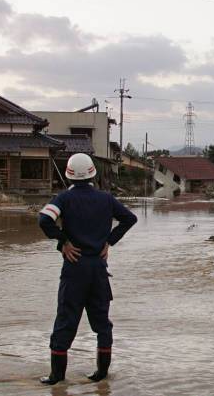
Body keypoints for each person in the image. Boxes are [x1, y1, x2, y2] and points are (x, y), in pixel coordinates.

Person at [38, 153, 137, 385]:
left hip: (74, 268)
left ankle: (56, 377)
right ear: (93, 173)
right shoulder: (106, 199)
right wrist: (108, 242)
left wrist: (63, 242)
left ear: (69, 174)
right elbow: (129, 219)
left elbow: (44, 220)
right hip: (99, 269)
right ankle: (101, 374)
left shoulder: (63, 199)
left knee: (66, 320)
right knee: (102, 322)